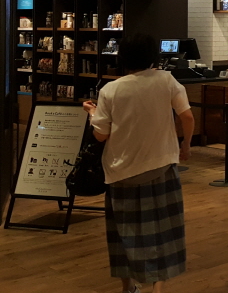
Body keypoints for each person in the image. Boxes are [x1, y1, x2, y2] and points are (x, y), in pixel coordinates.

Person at [83, 33, 193, 293]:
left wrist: (92, 113)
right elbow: (187, 117)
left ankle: (128, 287)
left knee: (124, 234)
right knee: (163, 233)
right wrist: (186, 145)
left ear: (122, 57)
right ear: (153, 56)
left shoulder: (111, 90)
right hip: (162, 167)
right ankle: (157, 289)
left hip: (122, 172)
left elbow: (101, 135)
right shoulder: (166, 80)